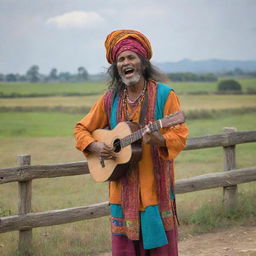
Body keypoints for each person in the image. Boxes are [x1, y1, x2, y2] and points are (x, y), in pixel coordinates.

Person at [74, 29, 188, 256]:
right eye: (121, 59)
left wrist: (160, 139)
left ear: (143, 63)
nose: (126, 62)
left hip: (155, 191)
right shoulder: (110, 99)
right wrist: (94, 145)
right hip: (120, 191)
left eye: (131, 57)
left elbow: (180, 133)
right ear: (116, 67)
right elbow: (81, 129)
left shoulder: (165, 94)